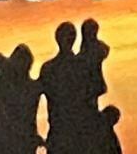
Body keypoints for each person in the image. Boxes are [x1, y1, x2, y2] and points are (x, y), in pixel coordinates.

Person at [37, 21, 98, 153]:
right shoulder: (81, 65)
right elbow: (94, 92)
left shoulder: (49, 68)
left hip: (63, 130)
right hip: (73, 131)